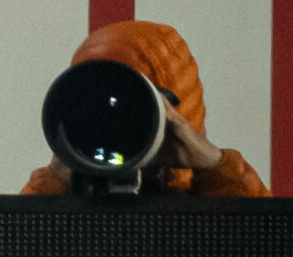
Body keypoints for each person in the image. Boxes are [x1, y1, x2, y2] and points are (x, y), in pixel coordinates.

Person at [22, 20, 270, 195]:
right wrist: (57, 176)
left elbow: (279, 256)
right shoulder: (64, 201)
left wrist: (215, 167)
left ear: (175, 112)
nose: (114, 121)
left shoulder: (213, 203)